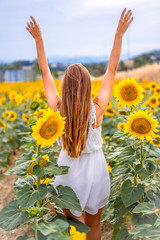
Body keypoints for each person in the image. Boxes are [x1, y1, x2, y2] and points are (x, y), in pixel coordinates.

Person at [26, 8, 133, 240]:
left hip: (68, 174)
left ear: (65, 87)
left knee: (75, 228)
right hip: (95, 172)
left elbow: (44, 72)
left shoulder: (58, 108)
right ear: (87, 86)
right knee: (93, 226)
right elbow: (112, 70)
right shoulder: (97, 109)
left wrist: (39, 40)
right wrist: (119, 35)